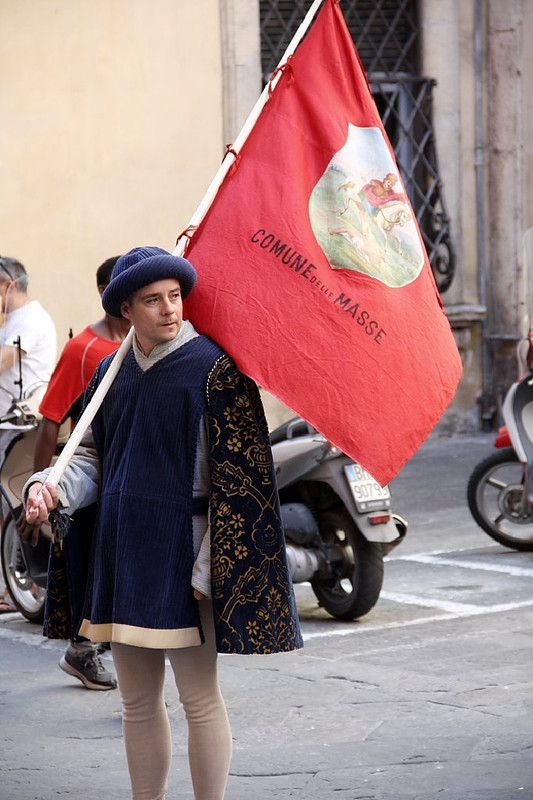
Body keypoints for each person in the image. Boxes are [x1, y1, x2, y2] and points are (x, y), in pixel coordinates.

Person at [24, 246, 303, 800]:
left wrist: (211, 564)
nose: (169, 309)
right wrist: (49, 486)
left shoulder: (214, 370)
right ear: (126, 309)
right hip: (125, 553)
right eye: (153, 300)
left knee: (199, 700)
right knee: (136, 704)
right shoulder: (110, 372)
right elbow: (94, 460)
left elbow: (242, 484)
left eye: (175, 296)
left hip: (186, 555)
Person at [31, 255, 130, 690]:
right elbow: (51, 419)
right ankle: (84, 653)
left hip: (132, 478)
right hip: (93, 482)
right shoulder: (85, 350)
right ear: (106, 293)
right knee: (91, 569)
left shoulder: (147, 346)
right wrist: (39, 492)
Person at [0, 255, 56, 614]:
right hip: (7, 425)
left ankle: (18, 587)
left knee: (11, 506)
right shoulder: (13, 320)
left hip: (15, 428)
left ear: (9, 285)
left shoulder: (30, 319)